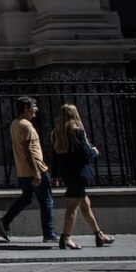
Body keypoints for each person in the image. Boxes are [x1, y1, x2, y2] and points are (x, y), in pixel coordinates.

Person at [51, 103, 114, 250]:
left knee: (85, 205)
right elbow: (85, 154)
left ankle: (99, 234)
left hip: (67, 173)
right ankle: (66, 237)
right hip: (79, 173)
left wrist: (56, 175)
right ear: (75, 114)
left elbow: (55, 156)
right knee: (72, 207)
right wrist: (95, 151)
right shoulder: (77, 131)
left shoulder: (56, 133)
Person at [0, 96, 58, 243]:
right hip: (36, 169)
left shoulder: (15, 124)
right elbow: (28, 150)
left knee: (27, 198)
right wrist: (36, 171)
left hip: (23, 171)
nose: (36, 109)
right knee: (46, 200)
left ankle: (5, 220)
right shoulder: (27, 126)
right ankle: (49, 233)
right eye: (33, 106)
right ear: (25, 108)